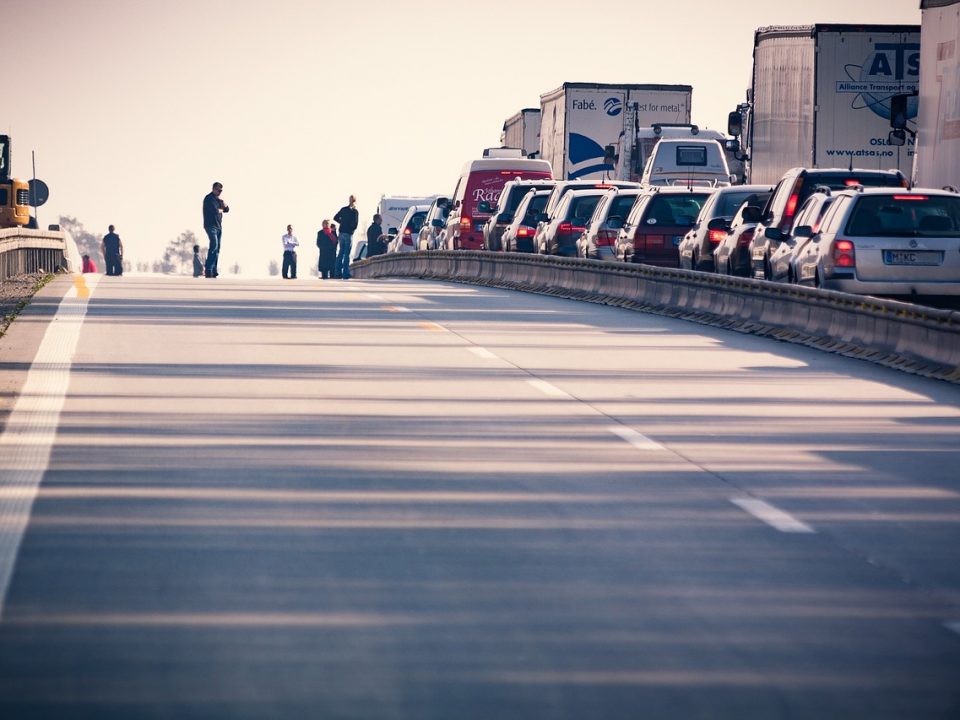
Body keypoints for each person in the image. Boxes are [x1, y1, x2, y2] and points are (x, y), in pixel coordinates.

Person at [202, 181, 229, 278]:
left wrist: (223, 203)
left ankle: (214, 270)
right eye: (218, 190)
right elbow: (215, 211)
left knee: (217, 249)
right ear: (213, 189)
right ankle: (208, 269)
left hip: (218, 226)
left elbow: (227, 209)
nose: (220, 192)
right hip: (210, 226)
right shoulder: (209, 199)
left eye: (221, 191)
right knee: (214, 245)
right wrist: (221, 208)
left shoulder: (218, 200)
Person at [333, 195, 359, 279]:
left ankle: (337, 273)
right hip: (348, 233)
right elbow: (355, 224)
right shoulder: (354, 211)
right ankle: (345, 274)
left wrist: (342, 222)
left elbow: (335, 217)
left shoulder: (343, 209)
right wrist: (350, 228)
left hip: (341, 232)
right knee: (347, 253)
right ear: (355, 201)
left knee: (341, 252)